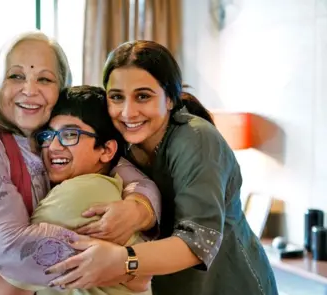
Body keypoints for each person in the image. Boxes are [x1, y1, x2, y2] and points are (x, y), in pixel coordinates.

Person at [0, 32, 162, 295]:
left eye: (44, 79)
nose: (29, 90)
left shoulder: (46, 140)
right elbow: (9, 250)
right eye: (15, 76)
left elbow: (131, 175)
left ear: (60, 90)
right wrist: (128, 264)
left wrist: (139, 209)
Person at [43, 40, 279, 295]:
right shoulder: (121, 141)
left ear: (169, 99)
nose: (127, 112)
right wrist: (138, 205)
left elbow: (199, 241)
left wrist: (123, 259)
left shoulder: (196, 141)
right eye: (116, 97)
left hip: (229, 284)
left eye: (143, 96)